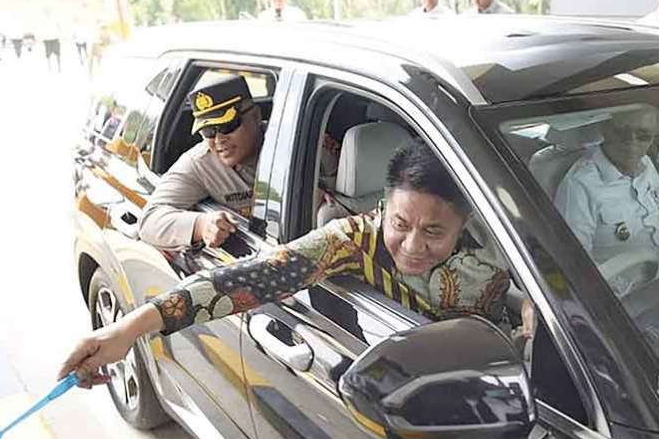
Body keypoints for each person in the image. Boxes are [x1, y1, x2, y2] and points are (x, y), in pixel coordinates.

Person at [59, 140, 515, 387]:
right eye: (400, 223)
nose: (412, 245)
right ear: (382, 206)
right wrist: (128, 329)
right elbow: (249, 278)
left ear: (465, 222)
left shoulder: (503, 242)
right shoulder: (353, 240)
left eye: (434, 232)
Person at [554, 109, 659, 296]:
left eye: (643, 136)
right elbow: (576, 263)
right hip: (628, 295)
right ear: (605, 129)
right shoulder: (580, 185)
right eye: (622, 133)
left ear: (653, 138)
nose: (632, 144)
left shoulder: (647, 165)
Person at [139, 74, 264, 250]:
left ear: (256, 116)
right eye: (208, 131)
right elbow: (149, 221)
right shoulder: (201, 163)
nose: (219, 139)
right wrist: (201, 224)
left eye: (227, 126)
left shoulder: (293, 143)